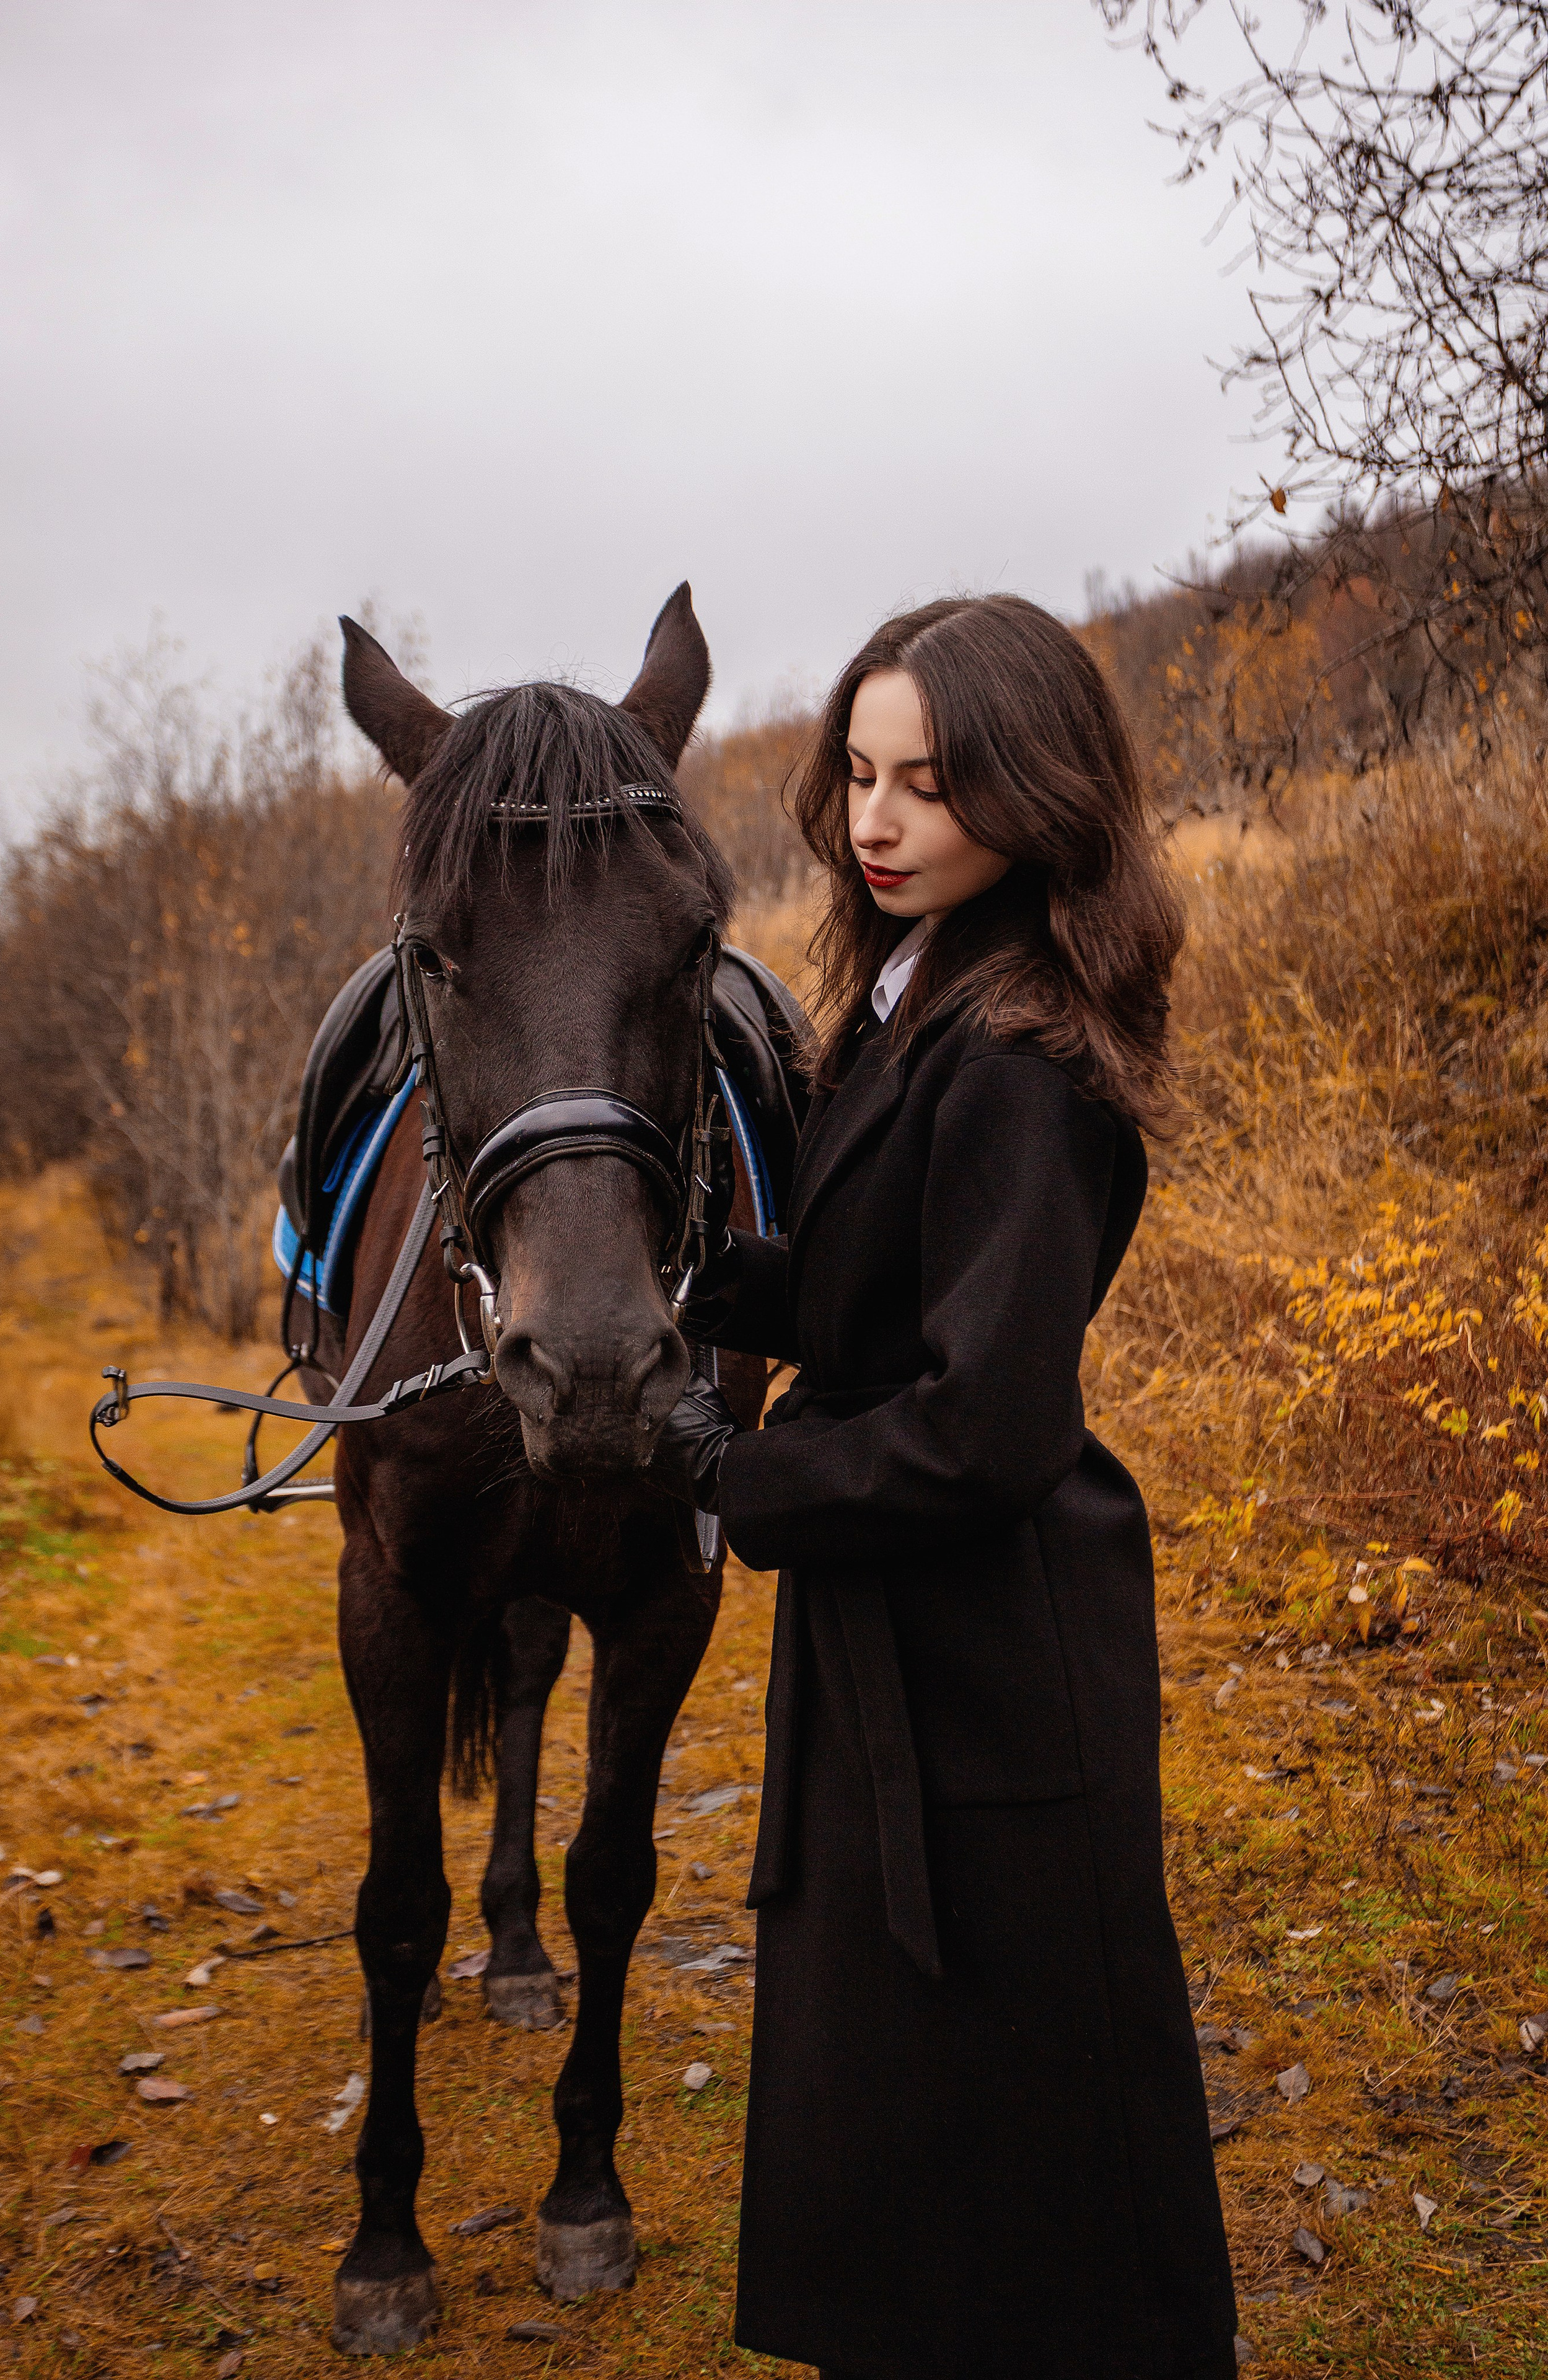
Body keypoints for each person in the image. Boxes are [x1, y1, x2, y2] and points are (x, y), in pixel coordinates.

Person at [651, 594, 1238, 2380]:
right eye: (858, 775)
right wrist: (703, 1280)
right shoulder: (918, 998)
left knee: (1020, 2111)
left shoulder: (1021, 1060)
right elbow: (880, 1286)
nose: (878, 821)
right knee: (906, 2093)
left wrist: (740, 1475)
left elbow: (986, 1418)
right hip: (903, 1615)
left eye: (928, 782)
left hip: (993, 1651)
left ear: (1033, 790)